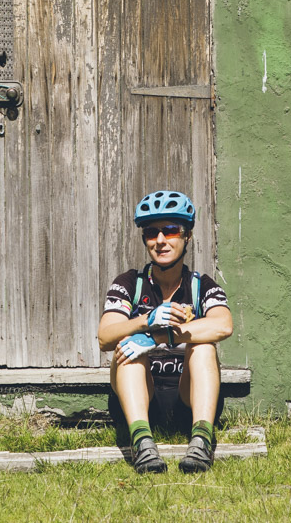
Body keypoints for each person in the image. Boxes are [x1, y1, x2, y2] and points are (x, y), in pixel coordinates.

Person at [97, 190, 233, 474]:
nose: (160, 241)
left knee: (205, 345)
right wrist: (144, 322)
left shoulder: (200, 285)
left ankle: (201, 439)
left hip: (188, 398)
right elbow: (105, 337)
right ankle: (142, 443)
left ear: (187, 237)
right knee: (126, 347)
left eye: (171, 230)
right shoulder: (130, 283)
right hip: (142, 399)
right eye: (151, 232)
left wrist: (160, 337)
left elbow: (223, 325)